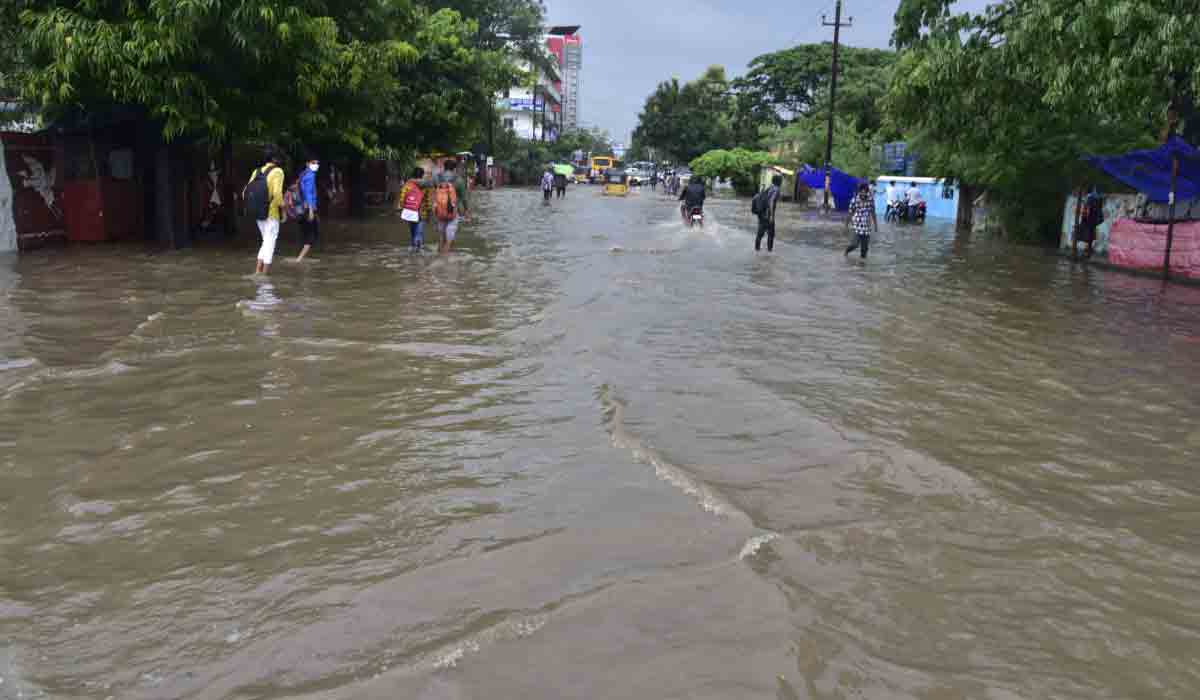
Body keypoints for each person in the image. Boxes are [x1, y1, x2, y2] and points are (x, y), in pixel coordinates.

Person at [245, 149, 285, 275]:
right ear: (274, 159)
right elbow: (277, 194)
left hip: (257, 212)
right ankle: (264, 275)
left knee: (266, 241)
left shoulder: (256, 171)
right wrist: (284, 211)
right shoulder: (278, 171)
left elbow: (245, 191)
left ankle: (258, 272)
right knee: (270, 242)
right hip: (271, 212)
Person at [433, 160, 469, 254]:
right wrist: (466, 211)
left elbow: (435, 193)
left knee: (441, 236)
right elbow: (464, 198)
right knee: (450, 236)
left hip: (439, 210)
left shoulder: (437, 178)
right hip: (453, 211)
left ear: (444, 167)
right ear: (454, 168)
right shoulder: (459, 180)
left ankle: (439, 253)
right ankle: (444, 259)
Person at [844, 182, 879, 258]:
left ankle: (862, 266)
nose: (863, 194)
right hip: (856, 225)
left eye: (865, 192)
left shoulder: (870, 200)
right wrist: (846, 225)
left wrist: (876, 225)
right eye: (861, 192)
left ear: (867, 192)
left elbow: (873, 213)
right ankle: (846, 252)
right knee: (855, 244)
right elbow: (850, 213)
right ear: (859, 191)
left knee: (864, 249)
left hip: (867, 226)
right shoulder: (854, 200)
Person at [295, 155, 319, 262]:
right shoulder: (310, 175)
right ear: (307, 163)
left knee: (305, 233)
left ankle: (300, 258)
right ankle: (299, 260)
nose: (316, 165)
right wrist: (310, 210)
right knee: (312, 235)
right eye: (313, 163)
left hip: (300, 208)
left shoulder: (302, 174)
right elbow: (309, 193)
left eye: (317, 163)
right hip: (308, 208)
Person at [399, 167, 427, 251]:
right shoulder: (425, 185)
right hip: (421, 211)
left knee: (413, 231)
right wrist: (429, 211)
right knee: (419, 232)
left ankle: (413, 246)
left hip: (410, 210)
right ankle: (418, 247)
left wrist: (401, 208)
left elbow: (402, 197)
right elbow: (428, 200)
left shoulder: (408, 184)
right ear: (422, 175)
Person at [755, 174, 783, 252]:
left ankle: (757, 250)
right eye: (781, 180)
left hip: (761, 213)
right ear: (779, 181)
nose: (782, 182)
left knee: (760, 233)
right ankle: (769, 252)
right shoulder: (776, 189)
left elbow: (761, 195)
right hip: (768, 214)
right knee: (771, 234)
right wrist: (771, 216)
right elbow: (771, 201)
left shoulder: (770, 187)